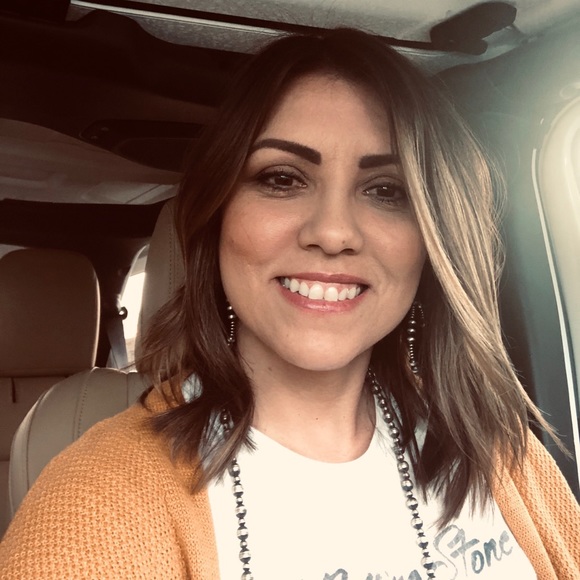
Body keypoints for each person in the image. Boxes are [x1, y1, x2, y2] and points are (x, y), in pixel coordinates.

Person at [1, 28, 579, 580]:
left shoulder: (494, 444)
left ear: (432, 240)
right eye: (282, 179)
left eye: (387, 190)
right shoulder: (96, 503)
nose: (332, 232)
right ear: (217, 217)